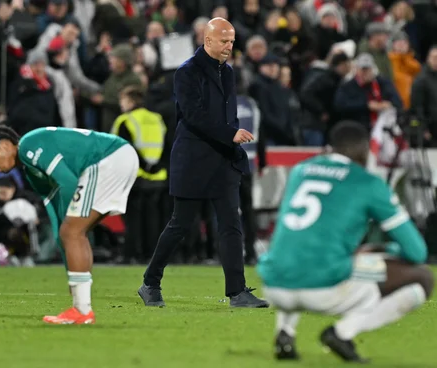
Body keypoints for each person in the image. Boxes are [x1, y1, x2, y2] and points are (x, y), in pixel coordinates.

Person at [257, 121, 434, 362]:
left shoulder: (301, 170)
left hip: (274, 285)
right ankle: (343, 333)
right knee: (422, 278)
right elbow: (416, 252)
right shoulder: (367, 183)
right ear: (365, 151)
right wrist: (384, 249)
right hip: (322, 289)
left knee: (301, 248)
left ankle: (285, 333)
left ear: (331, 148)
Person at [138, 17, 268, 308]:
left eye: (232, 41)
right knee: (180, 225)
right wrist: (230, 134)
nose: (229, 46)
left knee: (231, 223)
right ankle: (150, 282)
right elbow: (193, 115)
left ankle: (237, 292)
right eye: (224, 41)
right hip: (193, 158)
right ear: (207, 40)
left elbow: (227, 114)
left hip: (223, 160)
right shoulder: (186, 73)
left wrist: (232, 147)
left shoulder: (229, 73)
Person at [0, 125, 139, 324]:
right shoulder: (30, 172)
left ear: (5, 145)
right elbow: (54, 212)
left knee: (72, 231)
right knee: (71, 233)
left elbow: (68, 183)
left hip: (108, 158)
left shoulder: (28, 145)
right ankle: (80, 307)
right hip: (117, 158)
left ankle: (81, 310)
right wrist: (67, 255)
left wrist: (68, 230)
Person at [111, 86, 168, 264]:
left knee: (133, 218)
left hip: (135, 176)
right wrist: (156, 166)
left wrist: (144, 165)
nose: (121, 104)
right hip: (158, 176)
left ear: (131, 101)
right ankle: (151, 254)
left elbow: (124, 149)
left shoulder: (125, 120)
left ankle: (131, 254)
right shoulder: (157, 119)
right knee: (153, 218)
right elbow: (167, 145)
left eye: (123, 100)